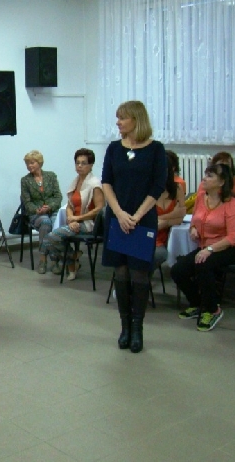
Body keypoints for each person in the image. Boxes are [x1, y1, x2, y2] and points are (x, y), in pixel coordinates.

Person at [101, 100, 166, 353]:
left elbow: (157, 186)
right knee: (121, 272)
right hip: (117, 218)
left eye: (122, 118)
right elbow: (107, 182)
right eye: (117, 118)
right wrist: (119, 213)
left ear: (136, 120)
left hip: (143, 218)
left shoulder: (156, 149)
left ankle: (138, 328)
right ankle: (125, 327)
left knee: (139, 272)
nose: (118, 122)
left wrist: (136, 216)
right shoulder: (114, 148)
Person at [171, 164, 235, 331]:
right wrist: (193, 228)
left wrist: (210, 250)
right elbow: (195, 219)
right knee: (178, 270)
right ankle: (198, 303)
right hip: (207, 246)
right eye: (206, 174)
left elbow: (233, 237)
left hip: (232, 248)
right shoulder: (201, 198)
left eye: (210, 176)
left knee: (203, 264)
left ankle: (213, 309)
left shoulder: (232, 204)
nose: (204, 178)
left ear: (221, 182)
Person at [42, 148, 105, 280]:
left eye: (83, 163)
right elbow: (70, 205)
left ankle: (72, 260)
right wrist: (71, 218)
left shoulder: (95, 184)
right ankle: (73, 258)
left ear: (91, 165)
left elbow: (99, 209)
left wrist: (78, 218)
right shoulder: (76, 181)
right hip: (75, 221)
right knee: (49, 240)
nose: (79, 166)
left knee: (51, 237)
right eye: (77, 163)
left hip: (89, 224)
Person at [20, 150, 62, 274]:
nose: (29, 166)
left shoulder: (51, 176)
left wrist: (49, 207)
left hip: (52, 210)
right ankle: (44, 260)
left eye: (32, 163)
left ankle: (53, 260)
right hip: (36, 214)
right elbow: (27, 202)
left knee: (54, 223)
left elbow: (58, 196)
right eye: (27, 163)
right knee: (45, 222)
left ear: (39, 162)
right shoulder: (25, 180)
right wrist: (36, 209)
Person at [154, 158, 187, 270]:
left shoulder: (177, 188)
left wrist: (164, 222)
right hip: (150, 235)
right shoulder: (146, 190)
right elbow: (148, 222)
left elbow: (181, 217)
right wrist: (173, 214)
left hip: (169, 235)